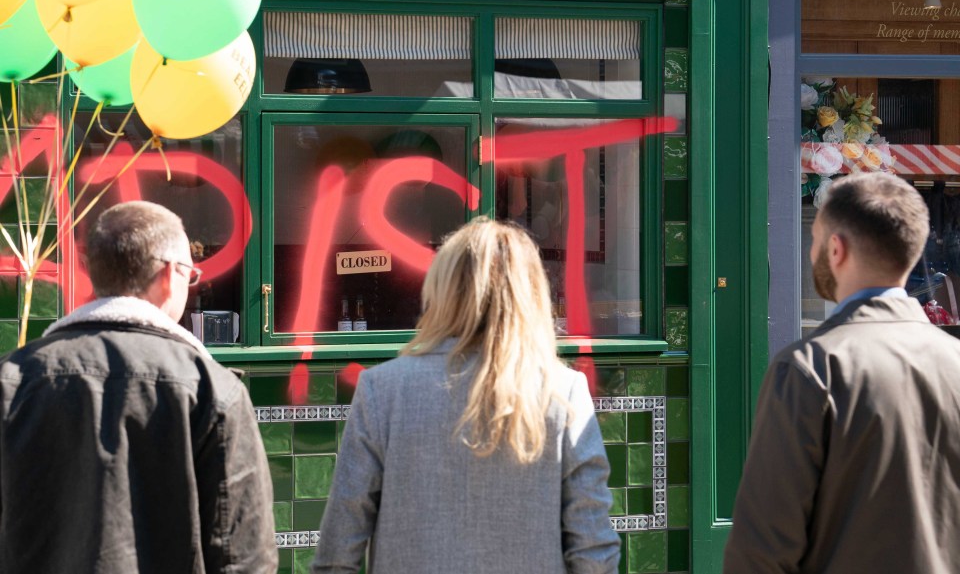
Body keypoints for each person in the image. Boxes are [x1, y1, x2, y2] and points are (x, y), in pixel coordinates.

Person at [311, 218, 620, 574]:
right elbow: (593, 550)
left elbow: (338, 549)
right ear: (531, 295)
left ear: (441, 290)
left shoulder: (382, 391)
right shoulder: (564, 392)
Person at [0, 201, 277, 573]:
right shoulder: (210, 387)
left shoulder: (13, 378)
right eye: (190, 276)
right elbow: (243, 556)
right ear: (168, 275)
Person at [724, 173, 960, 573]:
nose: (812, 249)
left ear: (836, 249)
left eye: (815, 238)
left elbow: (762, 550)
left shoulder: (809, 369)